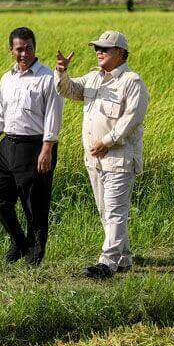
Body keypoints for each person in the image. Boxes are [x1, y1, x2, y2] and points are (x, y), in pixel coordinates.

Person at [54, 29, 149, 280]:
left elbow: (132, 119)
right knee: (106, 210)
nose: (99, 52)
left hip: (119, 157)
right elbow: (70, 91)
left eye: (105, 49)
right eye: (97, 48)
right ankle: (124, 258)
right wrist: (62, 72)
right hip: (94, 158)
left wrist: (107, 141)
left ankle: (107, 262)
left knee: (116, 210)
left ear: (120, 52)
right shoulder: (94, 78)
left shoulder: (132, 82)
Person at [0, 27, 63, 266]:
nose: (24, 53)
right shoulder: (7, 78)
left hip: (36, 146)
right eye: (19, 49)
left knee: (34, 204)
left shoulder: (48, 78)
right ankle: (20, 241)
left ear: (35, 48)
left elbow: (53, 117)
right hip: (8, 145)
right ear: (11, 51)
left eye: (28, 48)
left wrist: (47, 149)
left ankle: (35, 255)